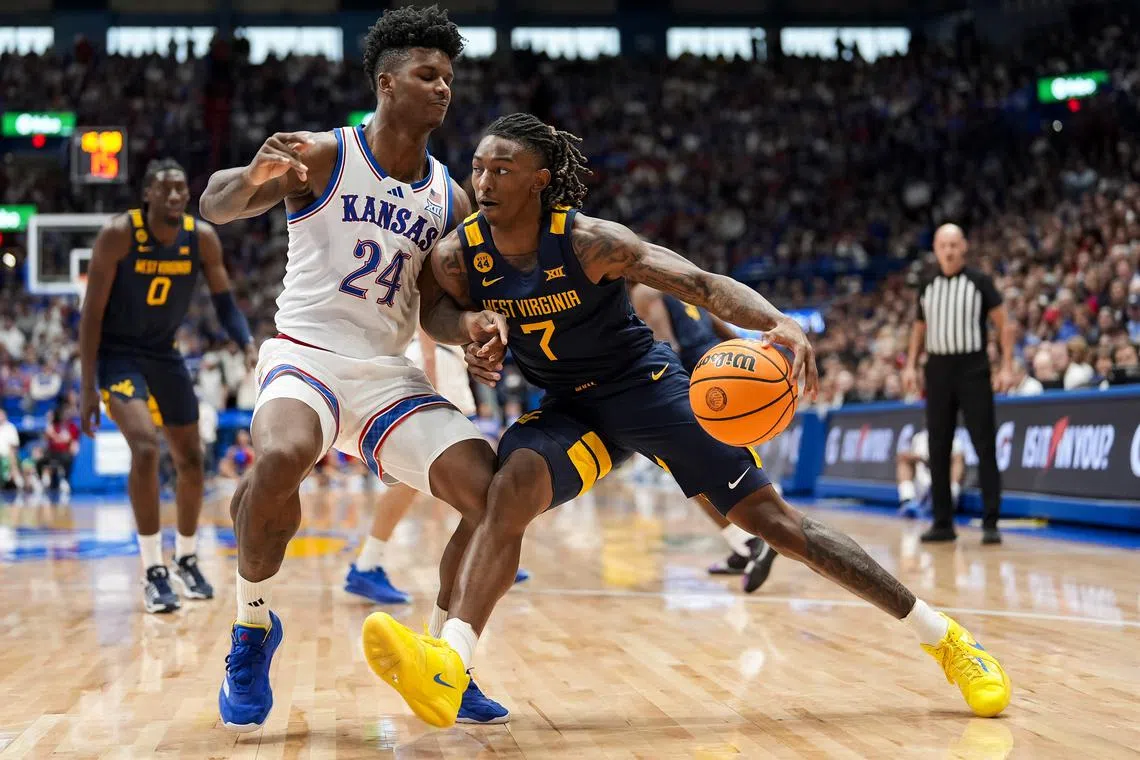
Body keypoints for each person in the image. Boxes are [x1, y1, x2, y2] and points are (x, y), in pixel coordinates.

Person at [361, 113, 1011, 728]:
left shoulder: (591, 243)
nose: (483, 182)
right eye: (478, 168)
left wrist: (777, 321)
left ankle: (947, 639)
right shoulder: (461, 254)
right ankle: (450, 663)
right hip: (569, 409)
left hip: (646, 390)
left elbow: (700, 283)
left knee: (778, 525)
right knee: (507, 490)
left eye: (502, 170)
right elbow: (434, 312)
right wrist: (470, 326)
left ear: (539, 180)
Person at [199, 6, 510, 731]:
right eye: (428, 74)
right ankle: (252, 626)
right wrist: (251, 176)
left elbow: (434, 311)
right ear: (386, 83)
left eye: (449, 77)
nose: (443, 88)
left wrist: (469, 328)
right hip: (305, 355)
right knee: (280, 456)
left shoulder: (451, 198)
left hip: (386, 374)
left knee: (492, 495)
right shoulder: (323, 155)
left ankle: (442, 657)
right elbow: (215, 205)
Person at [79, 158, 256, 613]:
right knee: (144, 448)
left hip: (164, 353)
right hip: (118, 355)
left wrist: (246, 343)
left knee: (192, 459)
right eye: (166, 189)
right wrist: (86, 388)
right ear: (147, 195)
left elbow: (225, 303)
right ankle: (153, 569)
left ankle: (187, 558)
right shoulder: (119, 235)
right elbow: (91, 316)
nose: (176, 196)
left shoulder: (201, 238)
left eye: (181, 188)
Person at [343, 326, 530, 621]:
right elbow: (427, 322)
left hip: (444, 365)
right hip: (435, 367)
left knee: (460, 472)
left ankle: (488, 550)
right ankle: (367, 565)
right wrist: (430, 387)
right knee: (415, 479)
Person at [629, 283, 776, 592]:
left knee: (691, 472)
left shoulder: (642, 291)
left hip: (700, 379)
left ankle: (756, 539)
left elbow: (666, 346)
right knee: (724, 469)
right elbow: (724, 329)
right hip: (727, 368)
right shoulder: (678, 284)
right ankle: (742, 546)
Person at [903, 224, 1012, 545]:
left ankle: (990, 522)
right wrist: (910, 365)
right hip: (937, 370)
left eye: (954, 244)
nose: (949, 250)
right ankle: (942, 523)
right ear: (936, 249)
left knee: (984, 444)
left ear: (963, 247)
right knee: (938, 447)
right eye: (943, 245)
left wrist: (1006, 365)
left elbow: (1004, 324)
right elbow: (919, 328)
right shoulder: (927, 285)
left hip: (973, 368)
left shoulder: (980, 282)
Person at [897, 428, 965, 518]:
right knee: (903, 461)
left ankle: (950, 496)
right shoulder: (919, 437)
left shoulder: (953, 438)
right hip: (921, 487)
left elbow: (958, 459)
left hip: (942, 488)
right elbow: (902, 456)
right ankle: (907, 499)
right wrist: (921, 458)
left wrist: (938, 460)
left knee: (958, 460)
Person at [39, 407, 80, 494]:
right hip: (52, 451)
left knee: (67, 458)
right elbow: (47, 437)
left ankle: (65, 480)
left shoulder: (72, 427)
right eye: (63, 415)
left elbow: (69, 440)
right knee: (40, 460)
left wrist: (55, 437)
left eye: (67, 415)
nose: (65, 417)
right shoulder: (54, 426)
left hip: (64, 452)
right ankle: (41, 480)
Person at [0, 408, 22, 492]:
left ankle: (20, 486)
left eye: (1, 415)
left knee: (12, 460)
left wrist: (12, 462)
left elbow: (13, 447)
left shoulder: (10, 427)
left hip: (8, 456)